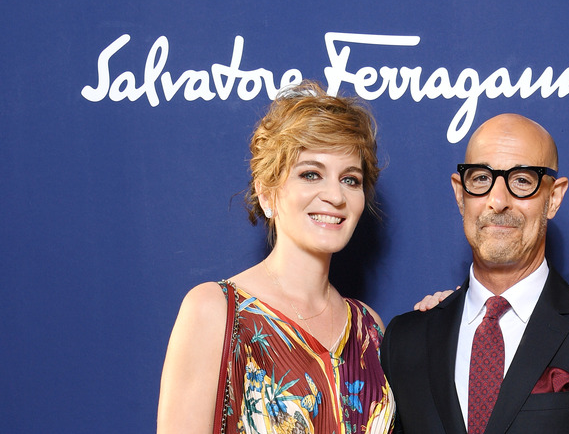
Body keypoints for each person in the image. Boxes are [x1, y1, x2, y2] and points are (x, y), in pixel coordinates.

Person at [381, 113, 569, 433]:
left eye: (522, 180)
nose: (498, 201)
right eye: (480, 178)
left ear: (554, 197)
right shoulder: (405, 340)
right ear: (459, 194)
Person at [158, 81, 394, 433]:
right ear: (267, 193)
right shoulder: (217, 311)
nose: (335, 195)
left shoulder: (369, 328)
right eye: (310, 174)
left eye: (350, 179)